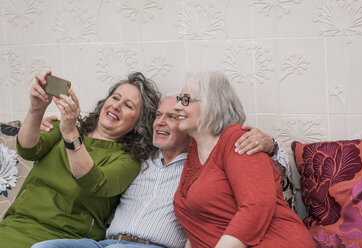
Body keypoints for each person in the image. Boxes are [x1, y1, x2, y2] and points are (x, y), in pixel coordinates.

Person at [32, 95, 290, 248]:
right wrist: (49, 124)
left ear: (190, 125)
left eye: (172, 116)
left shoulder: (204, 164)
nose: (160, 122)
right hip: (104, 243)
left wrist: (270, 145)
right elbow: (99, 144)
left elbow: (265, 174)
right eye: (157, 115)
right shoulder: (136, 158)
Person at [0, 71, 161, 248]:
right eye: (115, 98)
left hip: (64, 239)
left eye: (128, 106)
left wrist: (70, 133)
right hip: (16, 225)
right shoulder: (62, 128)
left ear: (138, 124)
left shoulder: (128, 161)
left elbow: (95, 182)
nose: (117, 106)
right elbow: (27, 150)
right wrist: (36, 109)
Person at [173, 72, 315, 248]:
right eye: (179, 99)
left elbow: (257, 205)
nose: (177, 106)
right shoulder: (194, 150)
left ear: (213, 104)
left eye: (186, 99)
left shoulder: (238, 139)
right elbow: (199, 227)